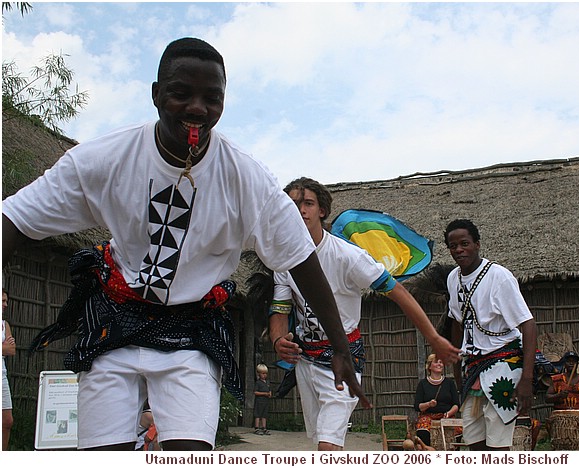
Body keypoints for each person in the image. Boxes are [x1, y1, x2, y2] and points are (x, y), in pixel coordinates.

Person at [1, 37, 368, 451]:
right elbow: (14, 217)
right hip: (115, 325)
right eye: (181, 94)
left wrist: (340, 347)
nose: (197, 108)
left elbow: (302, 260)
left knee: (188, 453)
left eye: (212, 98)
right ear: (156, 94)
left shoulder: (248, 180)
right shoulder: (104, 159)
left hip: (192, 333)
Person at [269, 177, 460, 451]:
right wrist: (277, 340)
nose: (300, 210)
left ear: (322, 210)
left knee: (328, 445)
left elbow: (401, 294)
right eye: (293, 203)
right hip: (306, 362)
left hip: (343, 358)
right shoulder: (283, 258)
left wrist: (433, 337)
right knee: (321, 443)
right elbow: (280, 308)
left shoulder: (349, 257)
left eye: (308, 203)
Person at [444, 219, 537, 451]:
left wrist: (526, 379)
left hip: (503, 363)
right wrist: (457, 372)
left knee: (497, 446)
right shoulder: (453, 278)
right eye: (453, 246)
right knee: (474, 442)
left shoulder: (499, 277)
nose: (458, 250)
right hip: (472, 367)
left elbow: (528, 324)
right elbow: (456, 323)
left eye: (464, 243)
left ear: (477, 244)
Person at [413, 353, 460, 447]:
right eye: (436, 362)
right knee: (423, 430)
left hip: (446, 416)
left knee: (458, 430)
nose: (439, 364)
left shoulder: (449, 383)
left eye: (441, 362)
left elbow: (456, 404)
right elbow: (417, 406)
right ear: (429, 366)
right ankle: (427, 452)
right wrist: (428, 404)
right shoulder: (423, 384)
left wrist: (449, 413)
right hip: (428, 416)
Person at [2, 289, 16, 451]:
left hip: (2, 375)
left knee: (7, 421)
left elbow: (11, 351)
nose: (6, 304)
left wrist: (6, 347)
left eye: (6, 301)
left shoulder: (4, 325)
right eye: (2, 301)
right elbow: (6, 348)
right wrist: (3, 346)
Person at [254, 363, 272, 435]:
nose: (264, 375)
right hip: (259, 401)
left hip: (266, 401)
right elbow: (255, 392)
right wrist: (264, 394)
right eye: (263, 373)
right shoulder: (258, 383)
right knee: (258, 414)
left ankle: (264, 428)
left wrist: (270, 393)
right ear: (259, 374)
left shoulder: (267, 382)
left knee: (264, 415)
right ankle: (256, 428)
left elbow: (269, 390)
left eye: (265, 373)